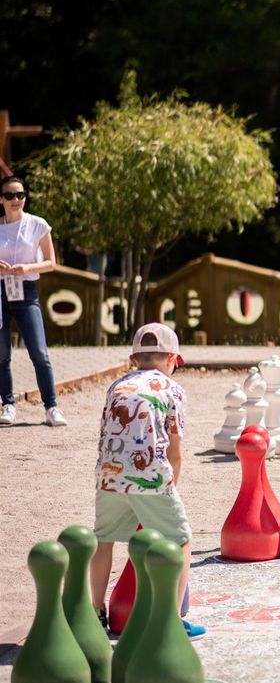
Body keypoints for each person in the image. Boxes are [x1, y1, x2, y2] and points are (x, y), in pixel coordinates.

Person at [89, 323, 205, 638]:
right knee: (181, 539)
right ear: (173, 359)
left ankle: (96, 613)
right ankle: (171, 620)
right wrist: (168, 492)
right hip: (150, 475)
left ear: (133, 359)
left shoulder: (116, 386)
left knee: (103, 538)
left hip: (109, 474)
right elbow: (175, 452)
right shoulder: (172, 389)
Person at [0, 175, 65, 427]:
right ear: (1, 200)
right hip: (0, 291)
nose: (15, 199)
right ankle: (8, 404)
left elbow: (51, 262)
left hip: (26, 290)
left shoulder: (38, 224)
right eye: (9, 195)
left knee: (39, 351)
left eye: (20, 195)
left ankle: (51, 407)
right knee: (2, 354)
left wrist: (26, 268)